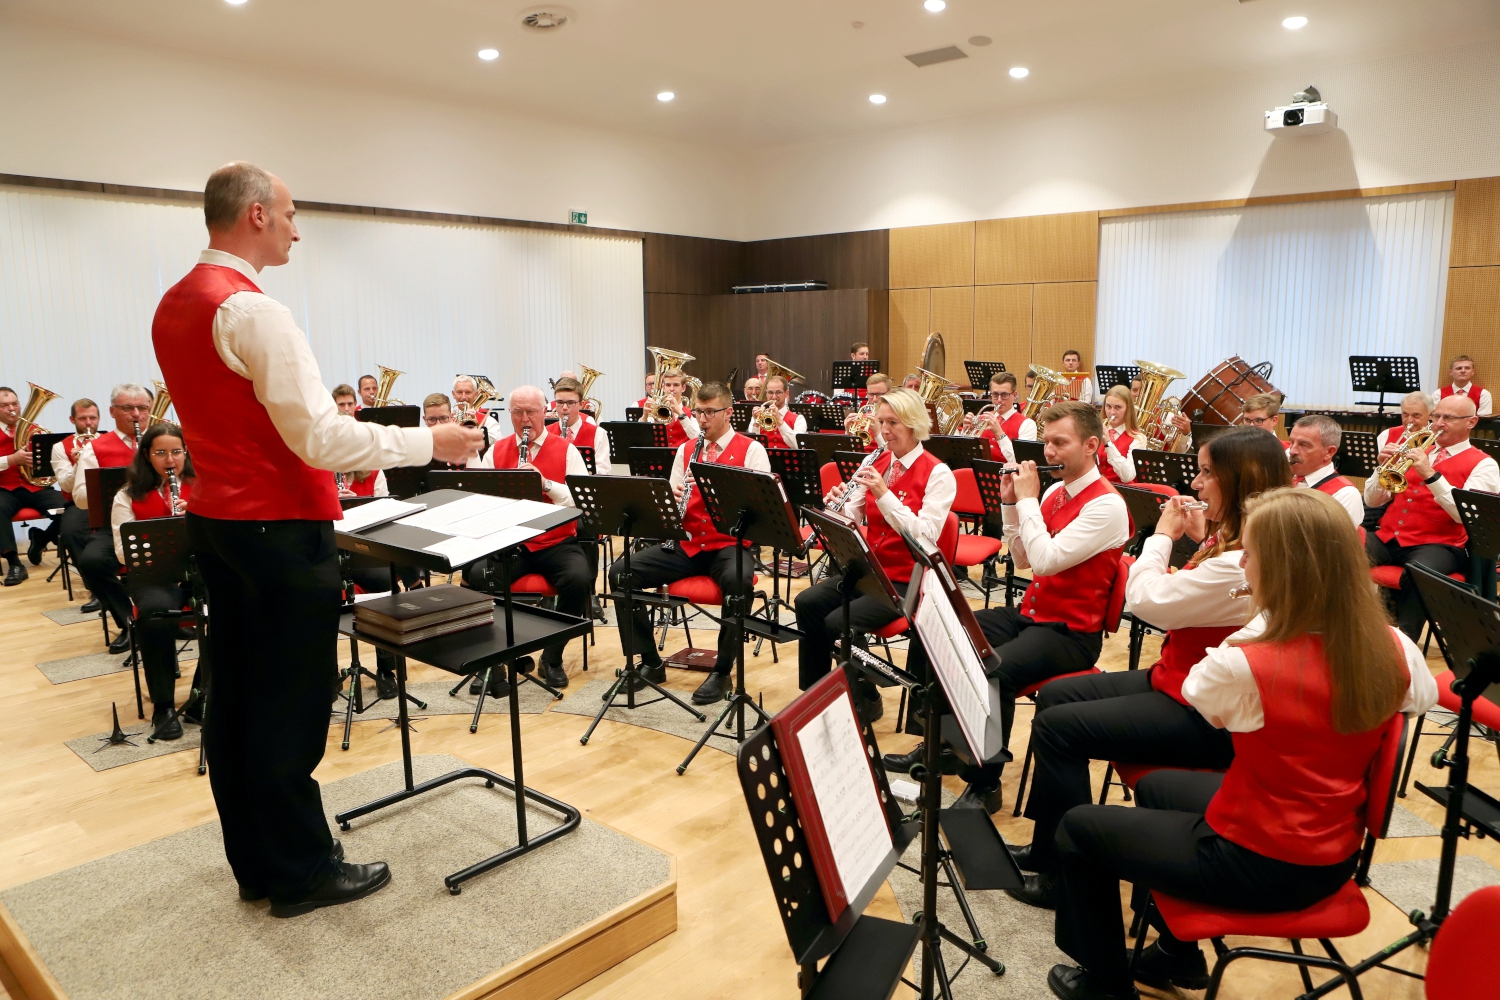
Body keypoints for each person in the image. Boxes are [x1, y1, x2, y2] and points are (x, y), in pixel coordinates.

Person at [152, 161, 482, 919]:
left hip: (218, 524)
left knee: (235, 695)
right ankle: (301, 870)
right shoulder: (251, 310)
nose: (299, 230)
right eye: (293, 215)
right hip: (277, 530)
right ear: (258, 215)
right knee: (293, 703)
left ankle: (256, 864)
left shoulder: (175, 303)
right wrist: (433, 441)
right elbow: (321, 440)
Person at [1045, 488, 1437, 1000]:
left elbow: (1197, 692)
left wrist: (1267, 612)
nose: (1241, 562)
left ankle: (1104, 987)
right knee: (1160, 786)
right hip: (1336, 847)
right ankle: (1176, 954)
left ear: (1282, 571)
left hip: (1259, 861)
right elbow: (1419, 701)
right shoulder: (1398, 646)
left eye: (1250, 554)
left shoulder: (1245, 663)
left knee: (1079, 828)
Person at [1002, 427, 1292, 907]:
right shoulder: (1242, 541)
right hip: (1178, 679)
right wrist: (1205, 540)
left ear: (1240, 480)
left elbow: (1148, 602)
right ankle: (1045, 844)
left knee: (1057, 728)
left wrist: (1161, 539)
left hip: (1204, 709)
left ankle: (1061, 872)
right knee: (1055, 697)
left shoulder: (1243, 559)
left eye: (1205, 474)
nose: (1196, 486)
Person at [887, 402, 1130, 796]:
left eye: (1059, 443)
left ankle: (985, 783)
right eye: (1047, 442)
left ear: (1091, 446)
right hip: (1034, 615)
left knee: (991, 671)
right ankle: (947, 742)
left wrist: (1028, 500)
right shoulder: (1054, 492)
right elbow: (1021, 559)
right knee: (941, 629)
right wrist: (1011, 505)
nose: (1048, 452)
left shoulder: (1107, 505)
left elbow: (1047, 562)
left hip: (1071, 633)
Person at [796, 388, 954, 722]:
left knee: (839, 623)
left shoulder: (938, 473)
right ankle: (816, 694)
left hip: (907, 581)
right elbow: (850, 519)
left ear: (913, 424)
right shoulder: (876, 460)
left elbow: (925, 535)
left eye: (893, 422)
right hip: (870, 571)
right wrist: (835, 508)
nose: (883, 430)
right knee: (808, 601)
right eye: (881, 421)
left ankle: (863, 695)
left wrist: (883, 494)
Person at [609, 381, 769, 706]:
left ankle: (723, 670)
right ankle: (650, 662)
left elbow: (760, 508)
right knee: (621, 572)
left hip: (729, 545)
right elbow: (668, 500)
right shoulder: (686, 449)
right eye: (699, 411)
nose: (703, 419)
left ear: (728, 412)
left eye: (710, 412)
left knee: (739, 582)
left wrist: (720, 494)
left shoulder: (751, 450)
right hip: (689, 543)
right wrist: (674, 497)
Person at [464, 386, 591, 690]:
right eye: (517, 412)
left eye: (531, 412)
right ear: (509, 415)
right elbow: (480, 499)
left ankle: (552, 656)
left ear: (544, 412)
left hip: (556, 541)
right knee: (478, 576)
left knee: (580, 579)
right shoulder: (497, 450)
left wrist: (545, 483)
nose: (524, 419)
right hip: (513, 543)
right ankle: (493, 660)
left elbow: (581, 500)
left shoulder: (566, 449)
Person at [1364, 394, 1499, 638]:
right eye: (1436, 416)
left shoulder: (1484, 465)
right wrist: (1380, 468)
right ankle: (1346, 628)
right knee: (1337, 547)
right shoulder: (1417, 448)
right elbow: (1372, 501)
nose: (1438, 423)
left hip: (1441, 544)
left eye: (1448, 418)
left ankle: (1405, 645)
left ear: (1472, 422)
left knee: (1418, 574)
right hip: (1389, 536)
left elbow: (1464, 516)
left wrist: (1430, 474)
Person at [108, 422, 197, 739]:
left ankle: (203, 696)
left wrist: (197, 517)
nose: (170, 460)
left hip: (198, 572)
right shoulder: (127, 497)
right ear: (147, 455)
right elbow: (121, 551)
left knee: (233, 605)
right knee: (156, 616)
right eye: (161, 453)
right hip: (152, 577)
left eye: (176, 452)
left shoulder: (203, 487)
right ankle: (164, 706)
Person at [68, 384, 153, 646]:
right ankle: (129, 622)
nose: (136, 414)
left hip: (163, 519)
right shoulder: (95, 448)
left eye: (142, 408)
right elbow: (80, 498)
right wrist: (124, 486)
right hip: (115, 526)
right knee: (92, 561)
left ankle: (180, 617)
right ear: (112, 412)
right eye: (128, 408)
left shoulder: (165, 440)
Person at [0, 386, 70, 584]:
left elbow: (51, 462)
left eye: (15, 404)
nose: (12, 409)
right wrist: (13, 459)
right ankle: (14, 563)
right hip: (5, 488)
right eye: (5, 406)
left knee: (69, 508)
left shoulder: (34, 429)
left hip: (35, 487)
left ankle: (42, 539)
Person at [1287, 414, 1362, 526]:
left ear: (1329, 452)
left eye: (1303, 445)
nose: (1292, 451)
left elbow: (1334, 541)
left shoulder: (1345, 494)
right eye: (1292, 442)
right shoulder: (1287, 480)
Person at [552, 375, 610, 472]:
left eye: (570, 403)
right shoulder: (546, 431)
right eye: (560, 402)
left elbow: (604, 471)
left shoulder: (598, 433)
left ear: (581, 404)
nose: (565, 407)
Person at [642, 368, 702, 449]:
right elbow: (642, 437)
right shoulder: (656, 410)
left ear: (683, 388)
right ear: (663, 387)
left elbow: (697, 439)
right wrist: (645, 416)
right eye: (668, 385)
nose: (671, 389)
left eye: (676, 385)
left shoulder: (690, 413)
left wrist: (681, 414)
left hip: (681, 459)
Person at [1096, 385, 1145, 484]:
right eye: (1108, 406)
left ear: (1128, 409)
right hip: (1098, 489)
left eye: (1118, 407)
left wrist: (1108, 444)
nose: (1112, 412)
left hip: (1124, 493)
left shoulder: (1138, 438)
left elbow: (1128, 476)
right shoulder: (1096, 430)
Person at [755, 375, 804, 449]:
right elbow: (752, 444)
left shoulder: (799, 419)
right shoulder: (760, 416)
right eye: (770, 392)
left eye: (778, 392)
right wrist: (755, 423)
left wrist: (779, 420)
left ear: (786, 393)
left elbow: (797, 445)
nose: (774, 397)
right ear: (766, 393)